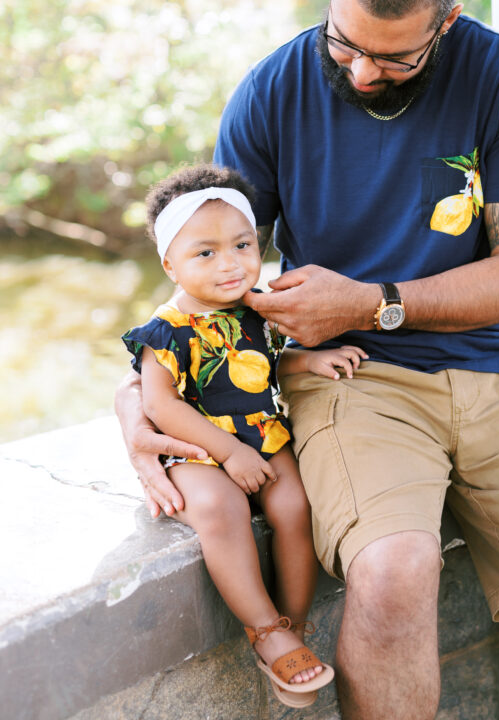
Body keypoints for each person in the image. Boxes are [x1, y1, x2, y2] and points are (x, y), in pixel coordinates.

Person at [117, 0, 499, 720]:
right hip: (354, 380)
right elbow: (210, 269)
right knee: (391, 574)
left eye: (393, 57)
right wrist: (135, 395)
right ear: (331, 3)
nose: (359, 71)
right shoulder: (272, 89)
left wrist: (373, 300)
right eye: (343, 43)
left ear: (445, 24)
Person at [121, 163, 365, 708]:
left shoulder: (254, 307)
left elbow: (263, 366)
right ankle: (265, 629)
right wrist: (227, 452)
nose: (229, 263)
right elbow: (160, 404)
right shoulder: (166, 330)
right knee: (219, 509)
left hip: (261, 437)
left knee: (295, 506)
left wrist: (311, 360)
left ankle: (292, 625)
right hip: (199, 448)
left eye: (242, 244)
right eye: (204, 253)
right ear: (170, 264)